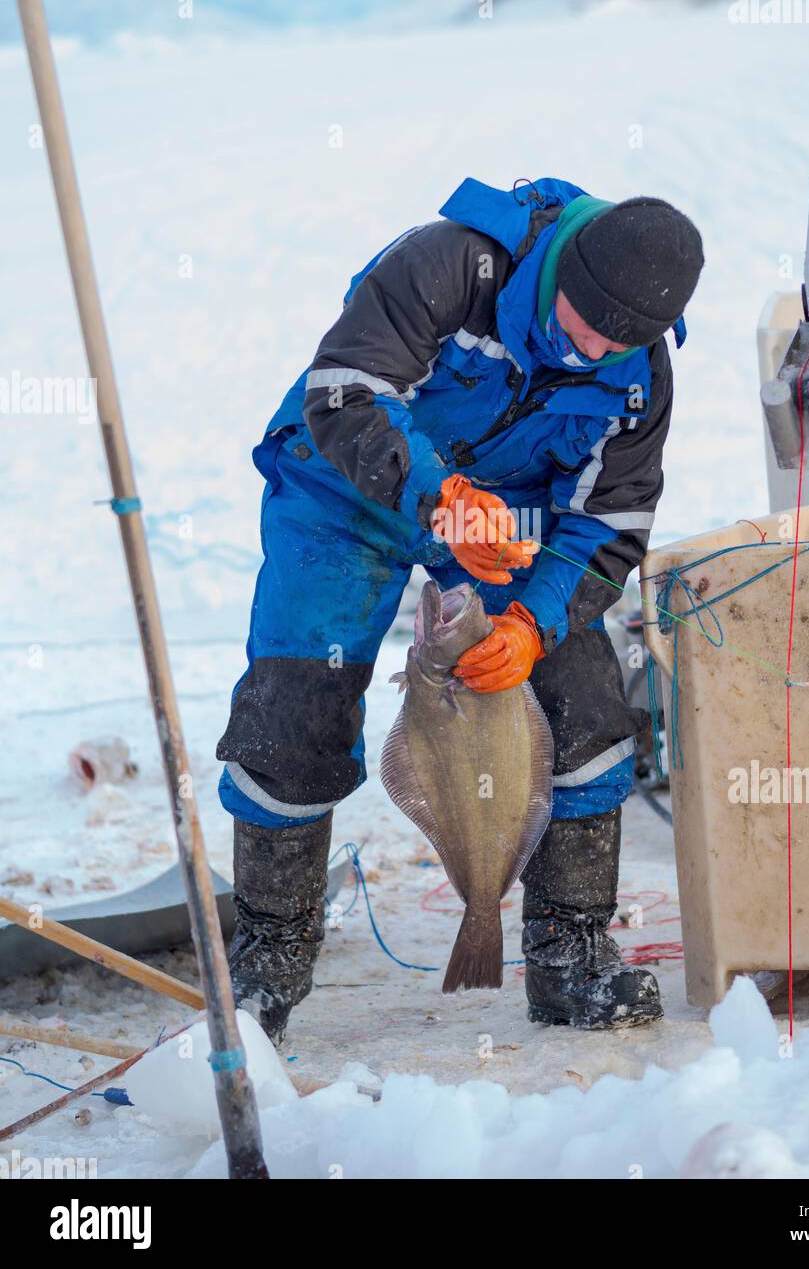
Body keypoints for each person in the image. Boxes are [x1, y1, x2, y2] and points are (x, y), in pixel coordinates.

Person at [216, 176, 704, 1042]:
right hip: (345, 491)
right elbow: (345, 390)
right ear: (558, 268)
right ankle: (266, 971)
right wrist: (439, 498)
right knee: (292, 714)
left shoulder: (639, 376)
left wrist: (531, 624)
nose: (585, 353)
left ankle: (570, 956)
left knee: (587, 712)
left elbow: (606, 522)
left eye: (611, 346)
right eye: (573, 326)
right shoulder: (452, 263)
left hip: (508, 523)